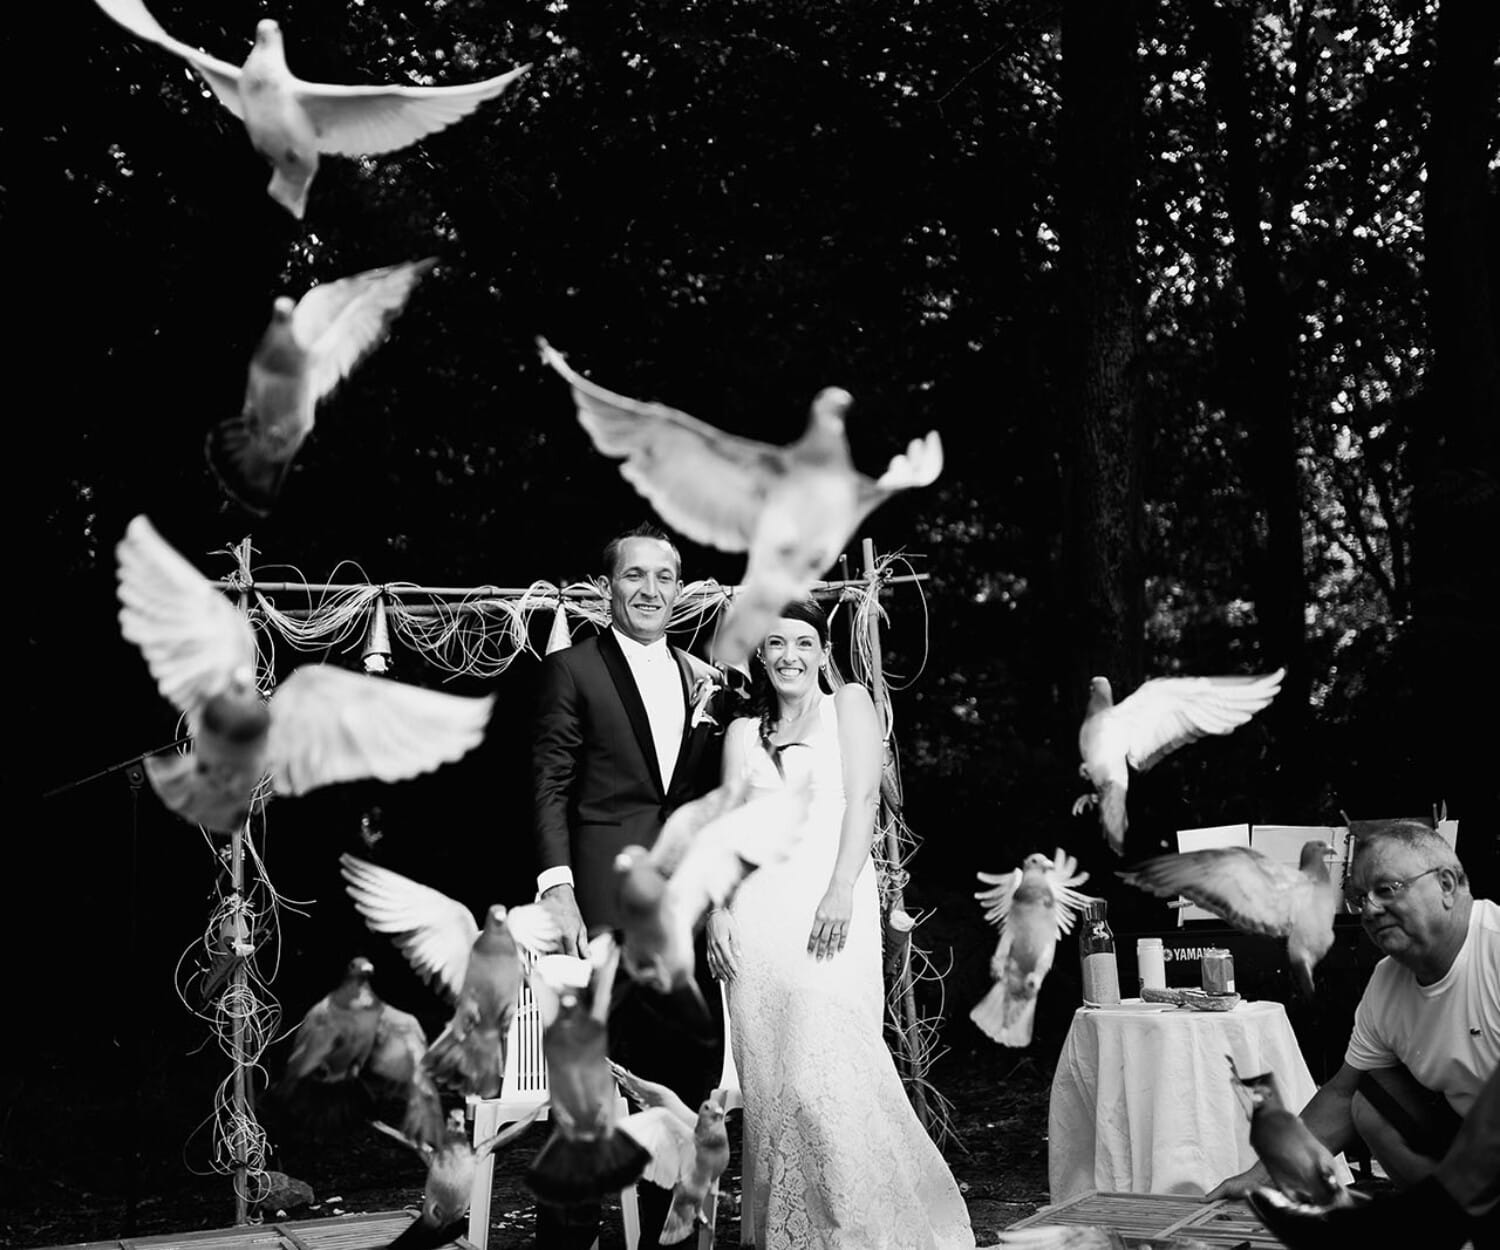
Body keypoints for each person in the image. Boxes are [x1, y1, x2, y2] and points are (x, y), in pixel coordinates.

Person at [706, 599, 975, 1249]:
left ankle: (861, 1227)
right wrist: (716, 909)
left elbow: (862, 801)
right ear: (761, 657)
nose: (789, 655)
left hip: (830, 907)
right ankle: (791, 1234)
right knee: (772, 1085)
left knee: (826, 1073)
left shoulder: (848, 704)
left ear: (823, 652)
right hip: (756, 924)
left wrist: (839, 890)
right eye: (775, 644)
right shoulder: (743, 734)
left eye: (803, 642)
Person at [531, 522, 731, 1250]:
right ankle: (568, 1234)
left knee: (678, 1081)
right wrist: (557, 886)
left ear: (680, 588)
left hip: (682, 913)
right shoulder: (573, 670)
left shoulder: (703, 676)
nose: (650, 590)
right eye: (634, 576)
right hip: (604, 903)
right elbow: (550, 782)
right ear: (605, 588)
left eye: (665, 577)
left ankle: (665, 1236)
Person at [1207, 819, 1499, 1203]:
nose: (1371, 909)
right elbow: (1342, 1097)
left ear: (1445, 885)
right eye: (1361, 898)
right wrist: (1265, 1175)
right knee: (1370, 1098)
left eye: (1386, 890)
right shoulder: (1386, 983)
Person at [1247, 1059, 1500, 1249]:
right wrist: (1260, 1178)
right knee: (1372, 1097)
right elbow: (1342, 1093)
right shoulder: (1383, 998)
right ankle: (1434, 1219)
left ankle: (1426, 1221)